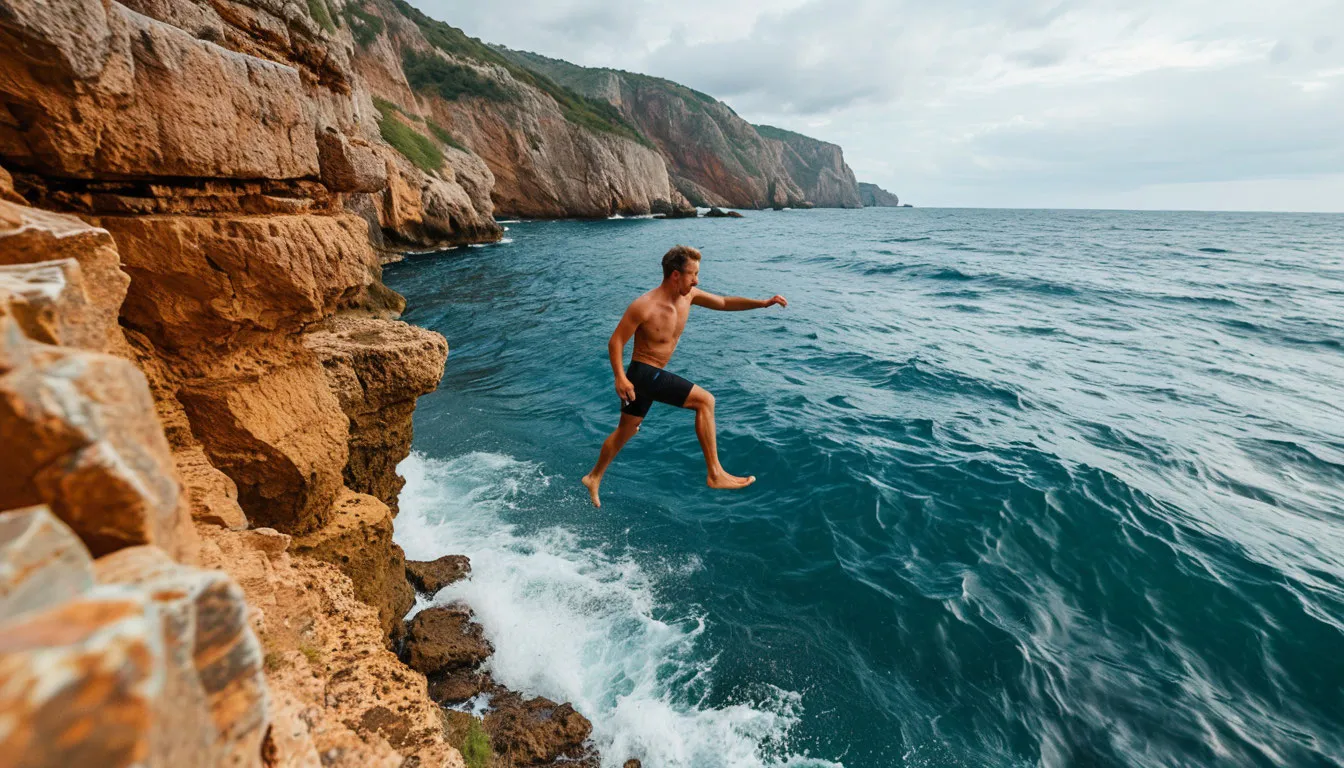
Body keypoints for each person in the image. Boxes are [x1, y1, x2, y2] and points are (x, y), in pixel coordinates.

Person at [581, 245, 788, 507]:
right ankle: (715, 474)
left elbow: (724, 302)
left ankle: (594, 476)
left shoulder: (689, 297)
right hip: (643, 373)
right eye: (693, 274)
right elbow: (616, 342)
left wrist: (763, 303)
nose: (697, 280)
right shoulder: (644, 306)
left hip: (646, 378)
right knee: (705, 401)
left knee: (627, 430)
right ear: (675, 275)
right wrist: (619, 378)